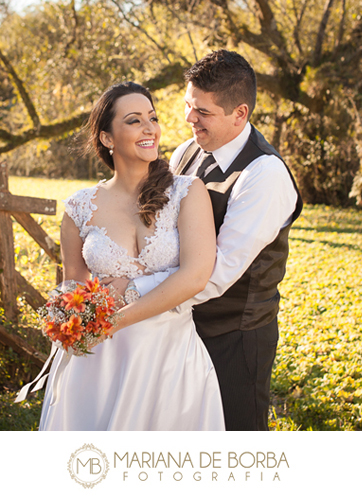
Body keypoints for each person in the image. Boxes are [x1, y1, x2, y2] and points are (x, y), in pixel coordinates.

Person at [128, 49, 303, 430]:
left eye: (203, 112)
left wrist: (132, 294)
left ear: (240, 113)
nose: (189, 119)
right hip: (177, 324)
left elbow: (217, 272)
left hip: (234, 339)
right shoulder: (186, 152)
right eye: (189, 106)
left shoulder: (264, 175)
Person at [35, 81, 225, 431]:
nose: (150, 128)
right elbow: (72, 283)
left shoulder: (187, 191)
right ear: (107, 138)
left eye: (152, 118)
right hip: (99, 363)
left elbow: (197, 274)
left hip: (170, 357)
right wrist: (65, 316)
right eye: (134, 120)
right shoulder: (79, 207)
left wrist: (113, 319)